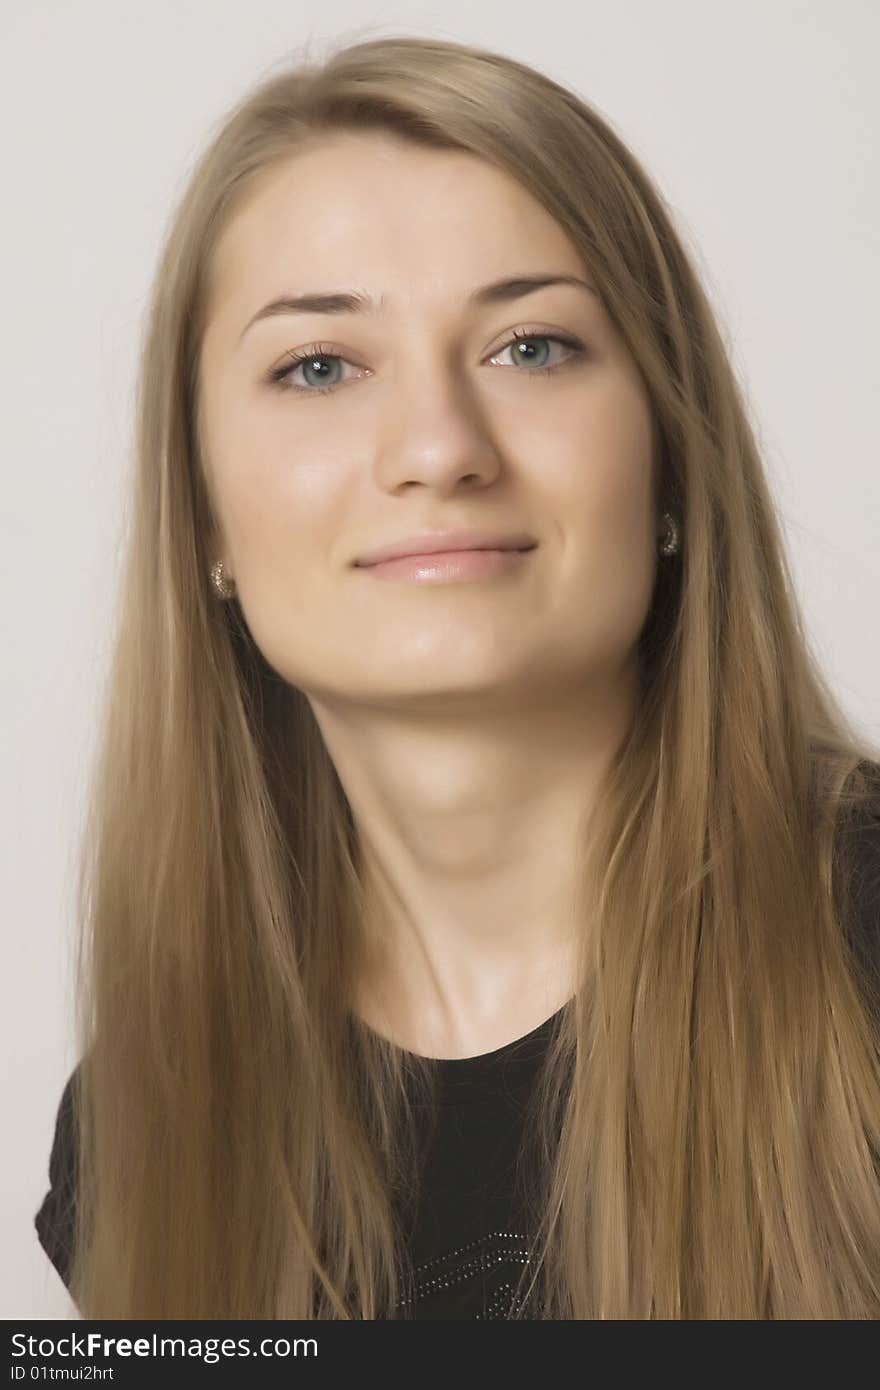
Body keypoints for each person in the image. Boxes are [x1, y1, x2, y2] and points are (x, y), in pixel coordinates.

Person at [34, 33, 880, 1319]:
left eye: (530, 347)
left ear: (668, 455)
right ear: (202, 516)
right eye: (318, 367)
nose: (437, 447)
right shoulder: (145, 1119)